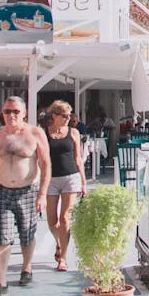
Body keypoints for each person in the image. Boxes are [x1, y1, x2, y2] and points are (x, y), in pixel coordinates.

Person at [0, 96, 50, 296]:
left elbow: (46, 165)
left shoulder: (35, 133)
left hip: (27, 190)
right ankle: (1, 283)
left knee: (27, 234)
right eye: (7, 111)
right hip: (2, 190)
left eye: (15, 112)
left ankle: (26, 268)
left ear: (24, 113)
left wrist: (43, 194)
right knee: (1, 235)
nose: (11, 115)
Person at [43, 100, 86, 272]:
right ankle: (59, 243)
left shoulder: (73, 133)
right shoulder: (44, 133)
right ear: (54, 116)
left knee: (65, 218)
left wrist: (83, 182)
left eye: (69, 115)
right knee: (52, 221)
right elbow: (40, 160)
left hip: (70, 177)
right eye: (64, 116)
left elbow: (78, 159)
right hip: (51, 179)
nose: (68, 118)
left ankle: (63, 258)